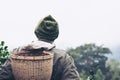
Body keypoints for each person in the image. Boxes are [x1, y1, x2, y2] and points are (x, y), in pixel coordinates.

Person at [0, 15, 80, 80]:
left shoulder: (17, 53)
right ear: (55, 35)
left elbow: (3, 77)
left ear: (37, 32)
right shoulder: (63, 57)